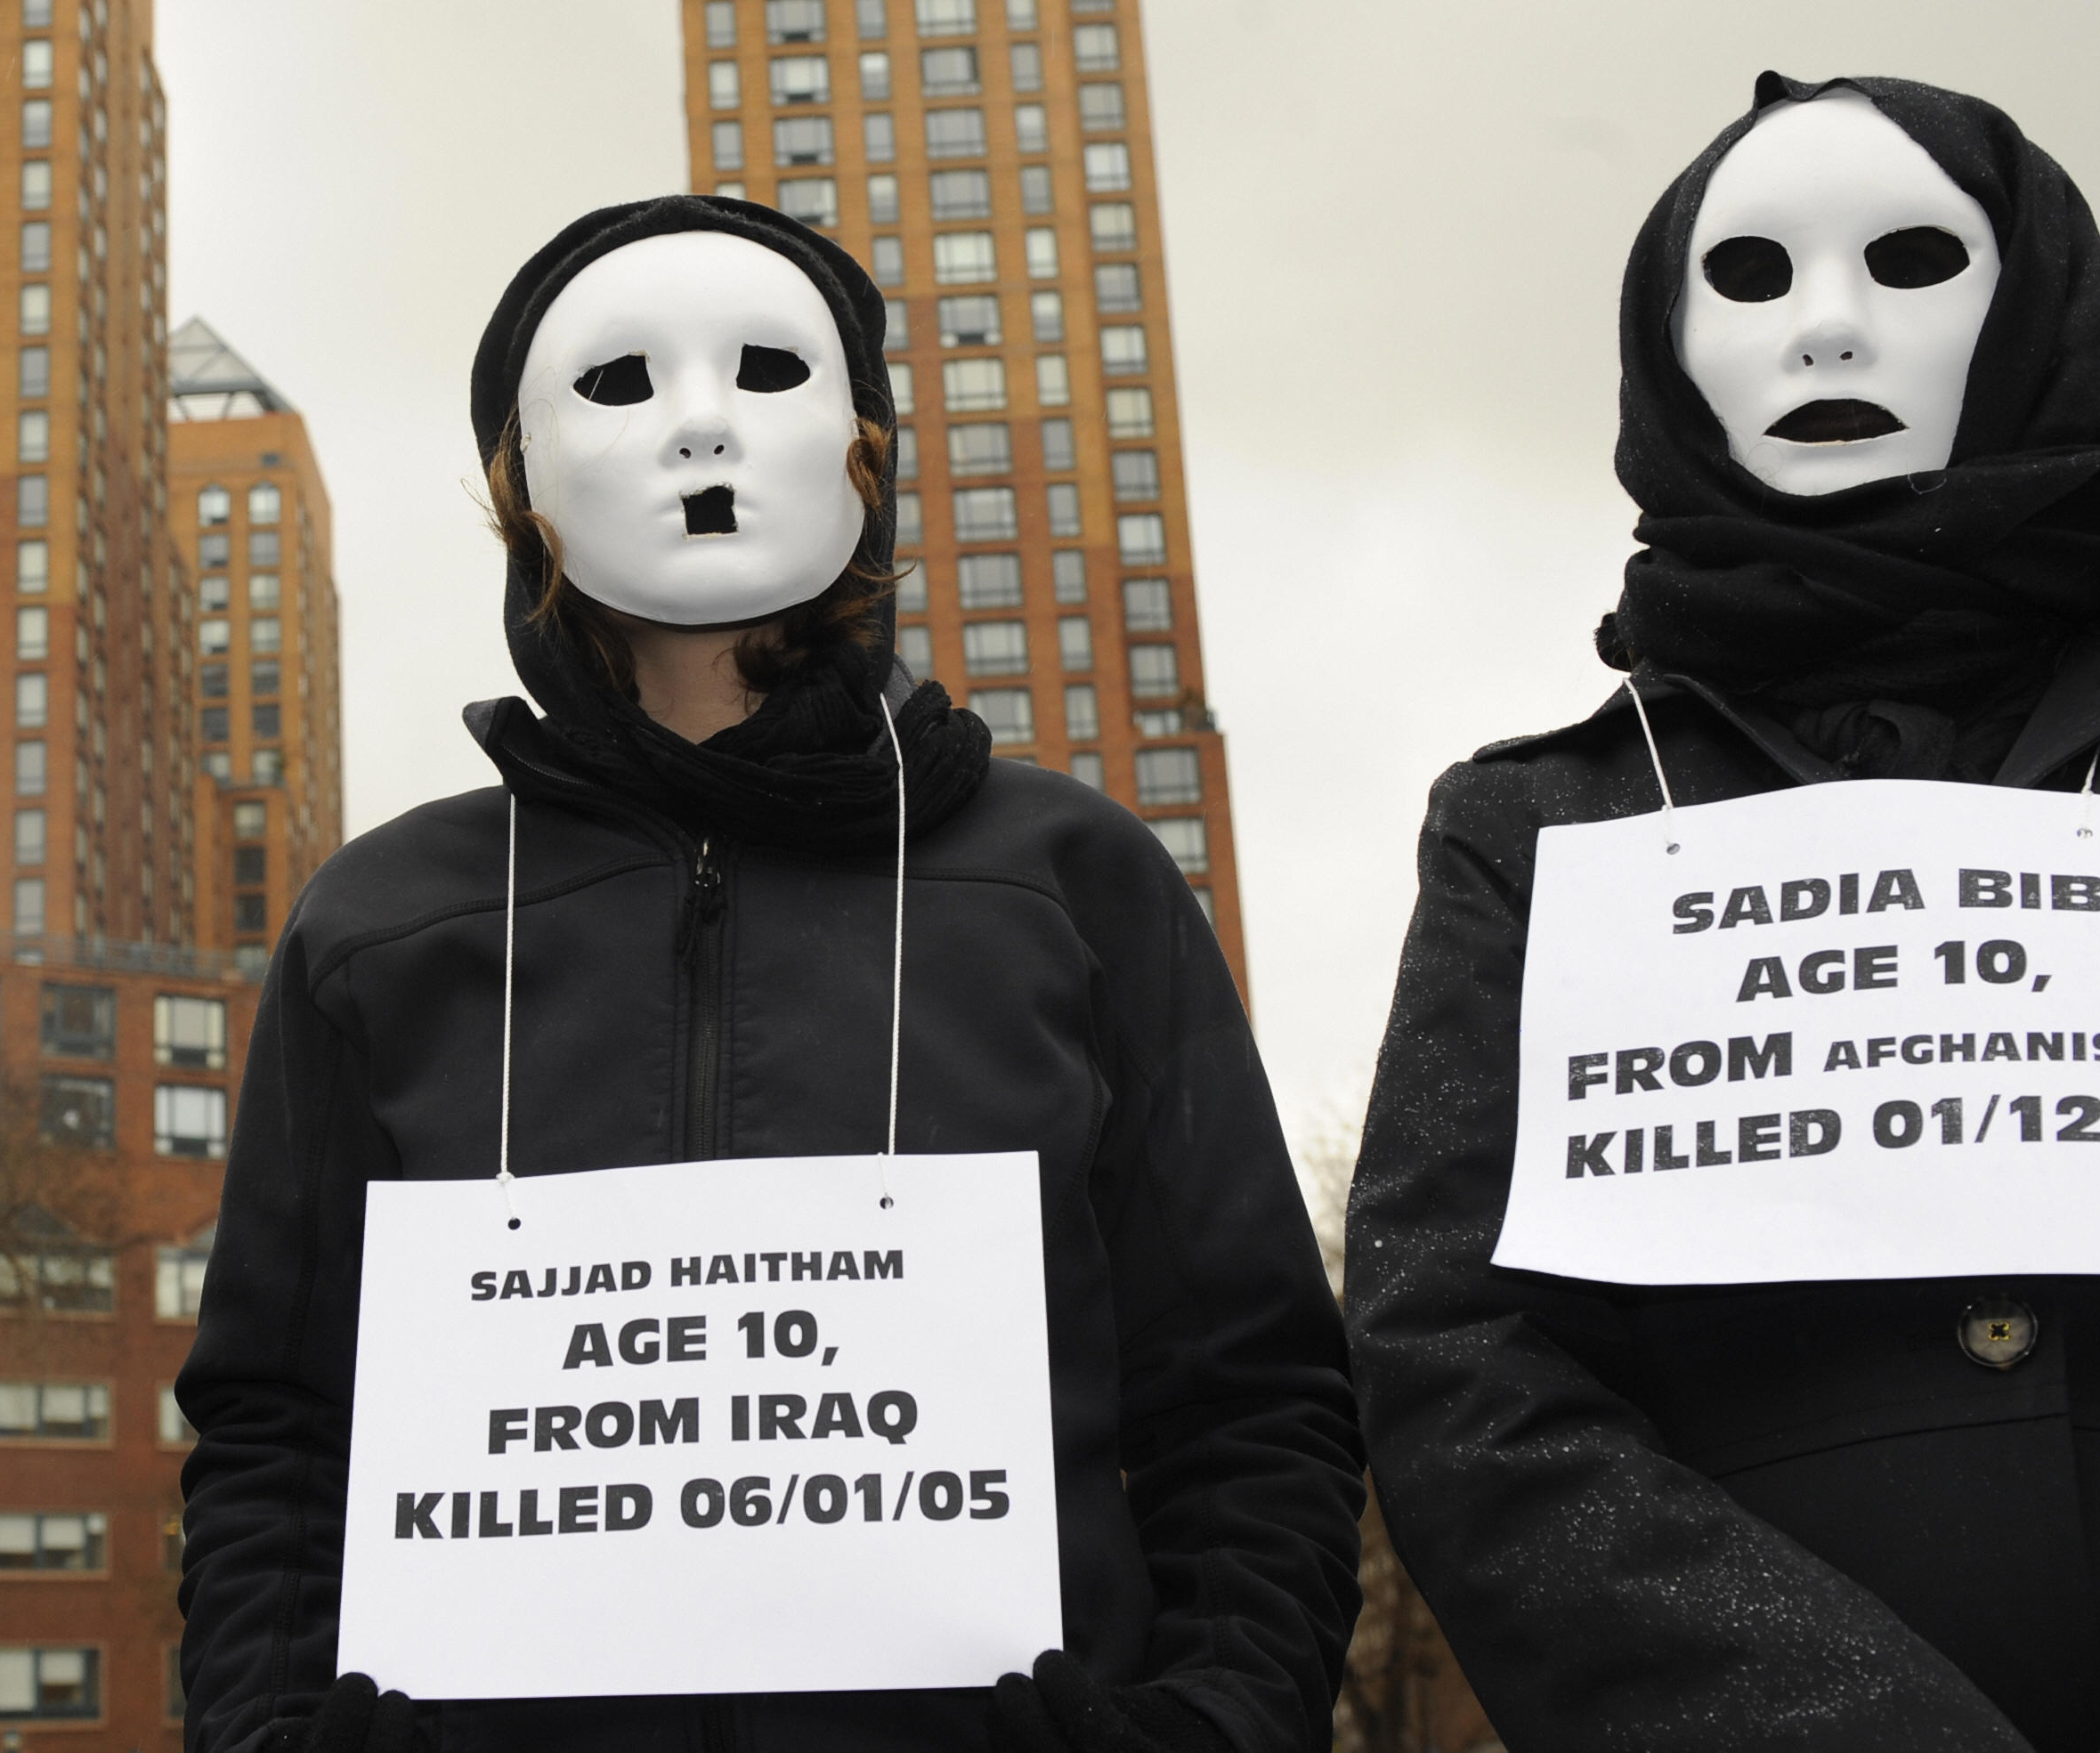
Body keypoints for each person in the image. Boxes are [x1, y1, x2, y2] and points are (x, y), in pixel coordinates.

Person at [175, 195, 1360, 1753]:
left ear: (866, 446)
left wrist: (1208, 1722)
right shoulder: (381, 928)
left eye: (764, 372)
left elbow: (1252, 1391)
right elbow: (274, 1423)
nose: (700, 430)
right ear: (517, 489)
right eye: (622, 384)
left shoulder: (1071, 882)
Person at [1349, 73, 2100, 1752]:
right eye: (1753, 277)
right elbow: (1458, 1351)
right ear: (1668, 347)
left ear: (2035, 303)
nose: (1829, 330)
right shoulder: (1542, 825)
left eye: (1910, 262)